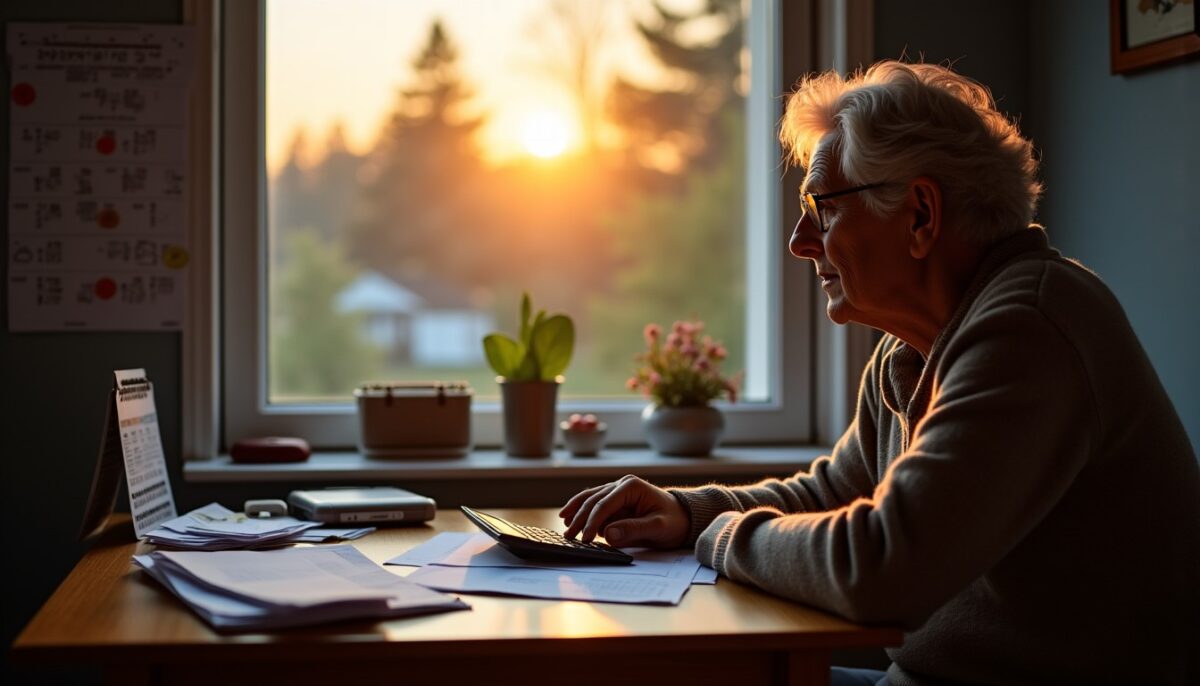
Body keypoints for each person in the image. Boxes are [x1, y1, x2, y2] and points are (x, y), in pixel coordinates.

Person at [559, 61, 1199, 686]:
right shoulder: (913, 346)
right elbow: (834, 493)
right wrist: (687, 513)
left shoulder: (1031, 328)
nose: (800, 241)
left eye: (824, 208)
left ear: (920, 215)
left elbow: (883, 569)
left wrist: (721, 537)